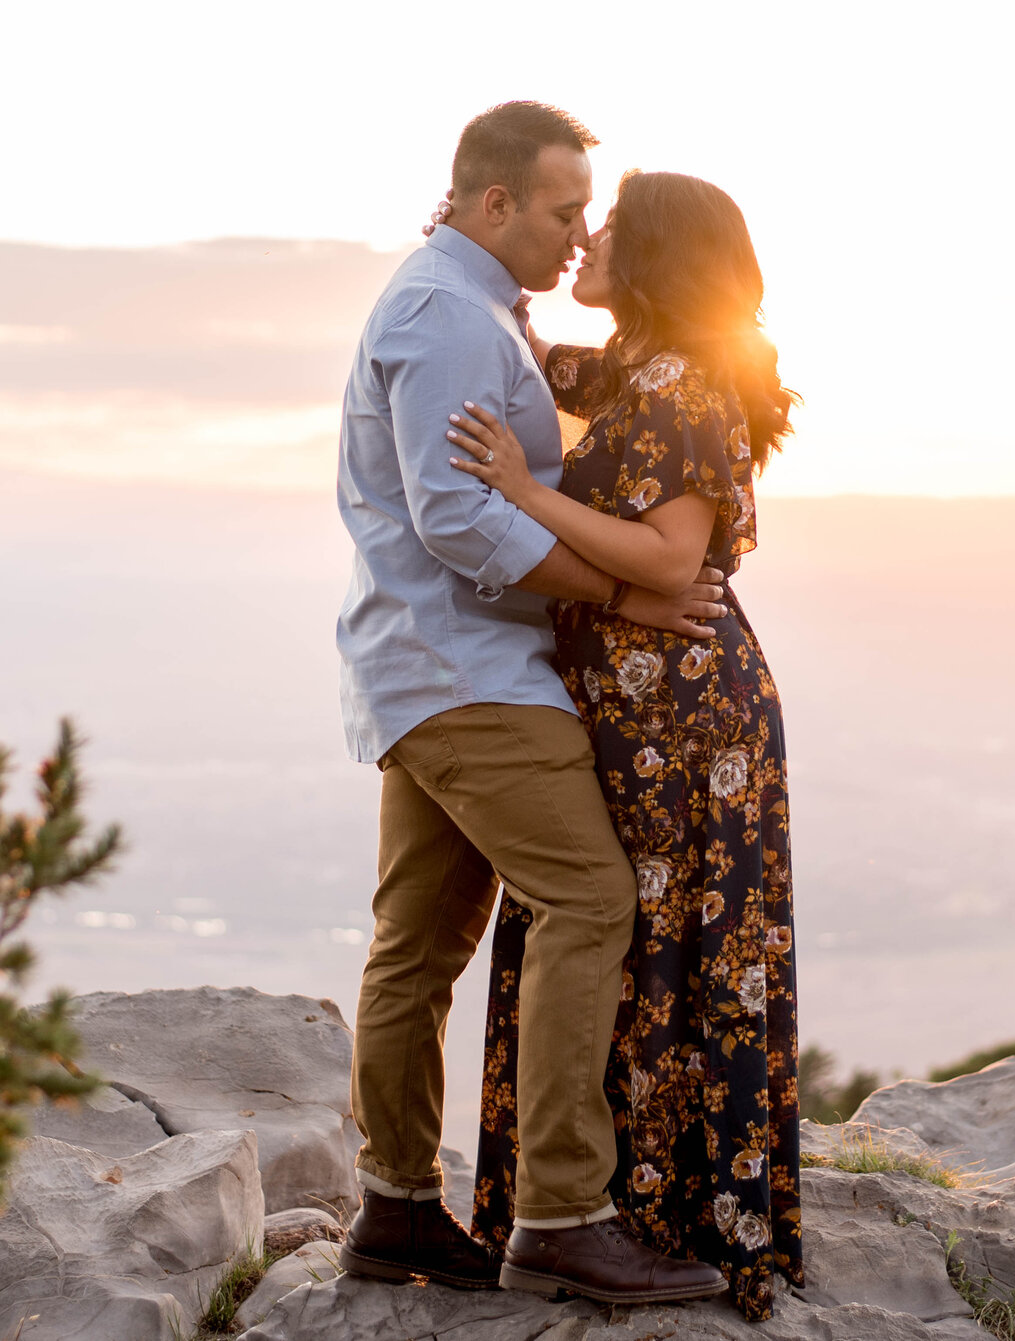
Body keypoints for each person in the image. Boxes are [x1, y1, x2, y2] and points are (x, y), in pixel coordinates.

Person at [333, 102, 734, 1305]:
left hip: (432, 667)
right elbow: (457, 516)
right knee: (589, 894)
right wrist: (620, 590)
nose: (577, 236)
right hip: (472, 674)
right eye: (564, 211)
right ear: (493, 201)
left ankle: (395, 1209)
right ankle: (563, 1212)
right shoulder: (448, 316)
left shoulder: (475, 310)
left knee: (419, 943)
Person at [445, 169, 803, 1317]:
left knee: (662, 950)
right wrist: (471, 245)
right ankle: (583, 1212)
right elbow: (518, 350)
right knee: (615, 940)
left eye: (606, 226)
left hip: (688, 720)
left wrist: (519, 490)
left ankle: (657, 1222)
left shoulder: (691, 387)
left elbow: (664, 559)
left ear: (653, 255)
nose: (584, 238)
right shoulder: (636, 371)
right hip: (629, 708)